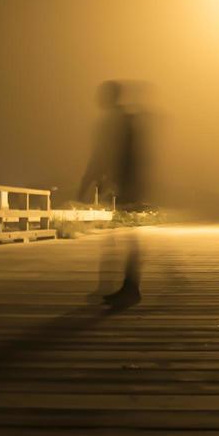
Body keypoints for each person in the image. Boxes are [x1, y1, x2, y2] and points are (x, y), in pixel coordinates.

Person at [79, 79, 148, 308]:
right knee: (125, 234)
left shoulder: (113, 121)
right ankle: (125, 286)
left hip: (124, 186)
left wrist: (87, 182)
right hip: (128, 185)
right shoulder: (127, 120)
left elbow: (101, 155)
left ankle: (128, 287)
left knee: (123, 235)